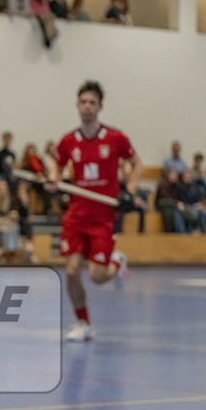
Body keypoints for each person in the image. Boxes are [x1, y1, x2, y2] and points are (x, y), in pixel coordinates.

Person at [46, 81, 142, 342]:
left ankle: (117, 264)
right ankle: (83, 323)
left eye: (92, 103)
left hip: (102, 219)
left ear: (100, 107)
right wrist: (54, 180)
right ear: (77, 106)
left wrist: (130, 191)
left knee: (98, 277)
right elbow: (58, 167)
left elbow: (136, 164)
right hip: (76, 216)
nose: (87, 107)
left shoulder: (116, 138)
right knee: (71, 271)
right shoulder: (67, 141)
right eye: (83, 102)